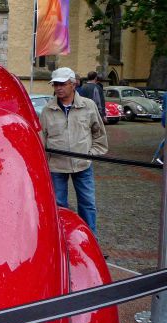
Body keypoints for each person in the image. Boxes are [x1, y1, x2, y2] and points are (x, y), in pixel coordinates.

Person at [40, 67, 108, 237]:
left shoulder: (88, 106)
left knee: (87, 204)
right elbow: (42, 138)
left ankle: (90, 240)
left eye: (62, 84)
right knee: (58, 205)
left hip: (83, 165)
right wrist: (44, 163)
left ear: (73, 84)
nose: (58, 88)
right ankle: (62, 240)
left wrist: (91, 153)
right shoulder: (48, 110)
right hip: (57, 166)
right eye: (55, 85)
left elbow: (98, 133)